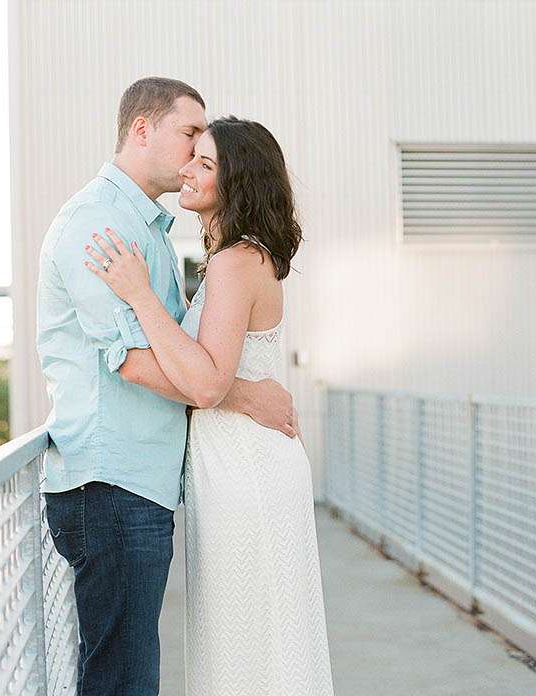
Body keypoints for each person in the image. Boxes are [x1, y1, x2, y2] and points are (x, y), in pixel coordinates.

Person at [35, 78, 297, 696]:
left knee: (132, 668)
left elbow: (185, 355)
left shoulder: (152, 229)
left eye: (205, 153)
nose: (191, 160)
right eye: (189, 137)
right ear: (142, 129)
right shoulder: (98, 223)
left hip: (140, 484)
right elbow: (128, 359)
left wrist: (224, 385)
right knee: (125, 673)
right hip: (110, 481)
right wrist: (242, 393)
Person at [84, 116, 334, 695]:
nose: (187, 170)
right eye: (190, 156)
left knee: (253, 640)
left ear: (237, 181)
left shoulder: (234, 262)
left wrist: (140, 294)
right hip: (234, 466)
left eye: (205, 163)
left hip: (247, 471)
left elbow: (205, 383)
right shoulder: (235, 258)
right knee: (247, 637)